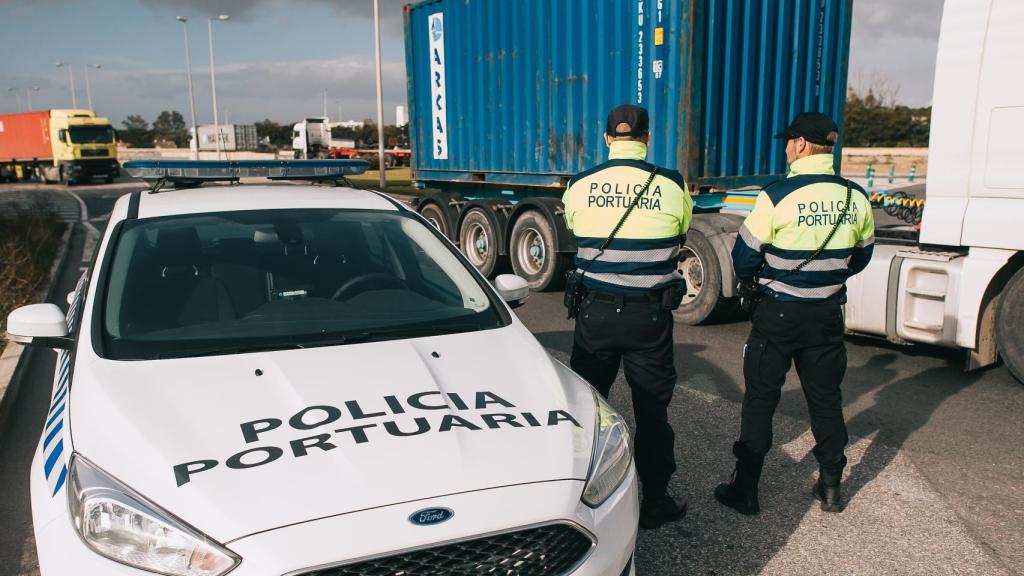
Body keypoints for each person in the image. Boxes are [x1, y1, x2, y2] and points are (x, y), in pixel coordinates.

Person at [715, 112, 875, 515]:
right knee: (826, 401)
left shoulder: (776, 195)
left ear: (802, 145)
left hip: (778, 314)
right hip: (825, 316)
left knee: (760, 401)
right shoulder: (855, 196)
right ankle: (832, 488)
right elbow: (862, 256)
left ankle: (746, 490)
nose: (786, 147)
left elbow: (745, 257)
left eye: (789, 141)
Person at [562, 103, 693, 529]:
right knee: (652, 412)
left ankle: (576, 501)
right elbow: (680, 232)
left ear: (606, 139)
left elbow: (577, 230)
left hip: (596, 313)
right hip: (649, 318)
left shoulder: (581, 185)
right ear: (647, 138)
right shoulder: (672, 185)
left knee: (586, 410)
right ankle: (655, 501)